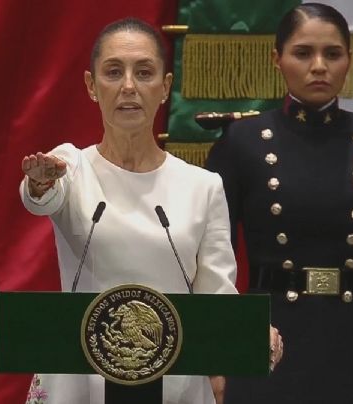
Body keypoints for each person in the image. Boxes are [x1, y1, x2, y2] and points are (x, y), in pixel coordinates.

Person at [20, 17, 282, 404]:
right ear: (92, 86)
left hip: (173, 382)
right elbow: (40, 197)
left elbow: (216, 295)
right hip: (79, 381)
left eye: (144, 73)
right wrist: (39, 183)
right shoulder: (70, 167)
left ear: (165, 87)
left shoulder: (202, 187)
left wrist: (249, 330)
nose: (129, 86)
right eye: (113, 72)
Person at [205, 4, 353, 404]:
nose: (318, 66)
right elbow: (213, 260)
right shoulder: (242, 141)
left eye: (332, 54)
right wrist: (218, 356)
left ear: (349, 61)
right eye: (303, 53)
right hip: (267, 337)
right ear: (277, 59)